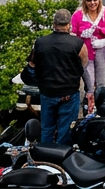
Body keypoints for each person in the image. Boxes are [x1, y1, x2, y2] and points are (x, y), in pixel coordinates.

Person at [30, 9, 87, 145]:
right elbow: (84, 64)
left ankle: (45, 153)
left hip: (47, 92)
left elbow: (33, 64)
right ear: (69, 25)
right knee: (65, 130)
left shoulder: (40, 42)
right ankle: (61, 155)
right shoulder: (78, 44)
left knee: (47, 128)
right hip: (69, 93)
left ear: (54, 24)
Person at [71, 0, 105, 108]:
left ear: (99, 0)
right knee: (90, 86)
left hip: (103, 52)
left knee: (104, 85)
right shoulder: (78, 15)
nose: (92, 3)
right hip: (85, 54)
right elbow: (72, 35)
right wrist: (82, 37)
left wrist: (103, 33)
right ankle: (90, 111)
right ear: (84, 1)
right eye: (89, 0)